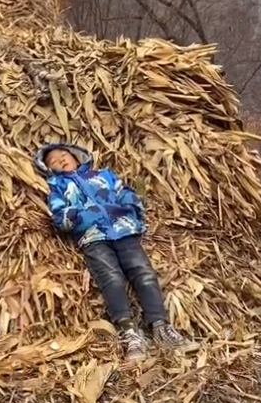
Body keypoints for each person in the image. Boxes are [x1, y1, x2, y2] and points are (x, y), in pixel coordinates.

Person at [35, 142, 195, 361]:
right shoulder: (58, 187)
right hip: (93, 237)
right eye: (53, 161)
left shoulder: (103, 175)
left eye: (64, 155)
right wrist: (77, 217)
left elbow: (125, 193)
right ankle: (129, 332)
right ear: (49, 169)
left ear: (77, 156)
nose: (61, 159)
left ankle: (160, 326)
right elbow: (59, 215)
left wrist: (131, 209)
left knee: (144, 273)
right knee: (111, 278)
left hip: (124, 231)